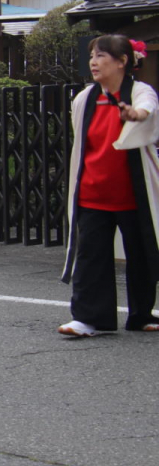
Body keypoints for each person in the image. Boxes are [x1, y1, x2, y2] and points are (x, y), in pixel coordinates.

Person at [60, 35, 159, 337]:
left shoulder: (140, 91)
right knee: (91, 256)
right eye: (92, 55)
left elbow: (148, 110)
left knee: (141, 255)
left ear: (122, 61)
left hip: (133, 192)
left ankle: (141, 315)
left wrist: (135, 115)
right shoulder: (84, 98)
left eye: (101, 55)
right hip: (92, 190)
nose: (93, 61)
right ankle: (91, 319)